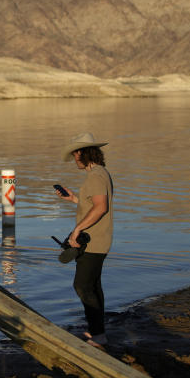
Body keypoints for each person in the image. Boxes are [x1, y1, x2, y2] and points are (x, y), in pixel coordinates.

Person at [56, 132, 114, 349]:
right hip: (98, 239)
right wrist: (74, 199)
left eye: (74, 155)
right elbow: (94, 205)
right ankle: (97, 331)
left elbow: (101, 207)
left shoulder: (96, 176)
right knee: (93, 286)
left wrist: (77, 230)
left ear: (81, 153)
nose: (74, 160)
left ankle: (98, 336)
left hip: (93, 241)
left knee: (81, 285)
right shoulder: (100, 173)